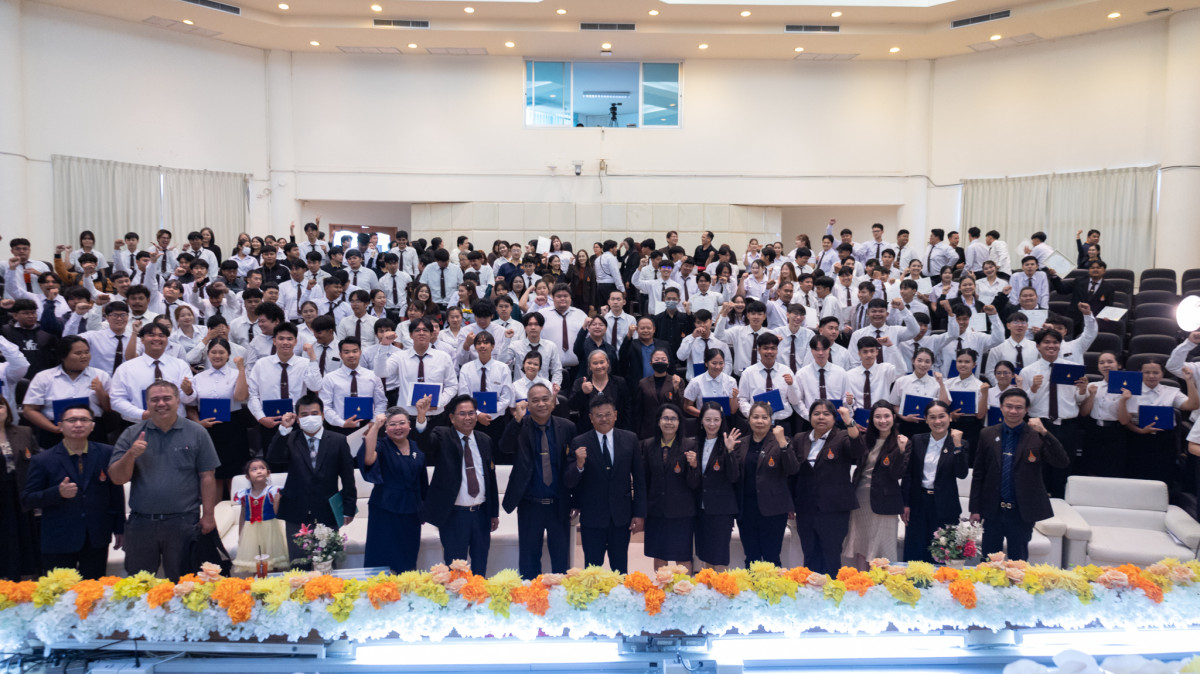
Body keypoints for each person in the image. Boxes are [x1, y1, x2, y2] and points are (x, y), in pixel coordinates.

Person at [108, 381, 219, 580]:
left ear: (178, 401)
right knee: (139, 585)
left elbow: (207, 476)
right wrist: (131, 455)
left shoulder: (197, 432)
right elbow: (117, 478)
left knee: (184, 584)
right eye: (155, 399)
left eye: (167, 398)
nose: (161, 403)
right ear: (147, 403)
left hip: (183, 522)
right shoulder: (132, 434)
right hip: (141, 523)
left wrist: (209, 515)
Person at [969, 388, 1068, 561]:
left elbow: (1062, 461)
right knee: (989, 561)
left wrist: (1045, 432)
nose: (1013, 411)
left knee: (1019, 562)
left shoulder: (1036, 435)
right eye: (1009, 406)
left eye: (1019, 407)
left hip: (1021, 512)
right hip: (993, 510)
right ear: (1001, 407)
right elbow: (979, 474)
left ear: (1026, 410)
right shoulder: (987, 434)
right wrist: (975, 509)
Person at [267, 394, 357, 567]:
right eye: (304, 414)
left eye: (314, 413)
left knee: (327, 563)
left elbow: (347, 477)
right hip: (296, 511)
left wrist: (349, 508)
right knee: (298, 564)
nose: (310, 418)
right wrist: (284, 429)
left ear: (322, 416)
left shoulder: (338, 440)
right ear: (298, 419)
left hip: (327, 510)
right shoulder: (290, 438)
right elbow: (274, 458)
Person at [501, 383, 575, 578]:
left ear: (552, 402)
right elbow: (505, 447)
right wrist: (517, 420)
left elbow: (572, 466)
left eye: (545, 399)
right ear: (528, 404)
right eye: (535, 400)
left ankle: (560, 594)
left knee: (561, 559)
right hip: (530, 504)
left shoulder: (567, 427)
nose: (541, 404)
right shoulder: (520, 426)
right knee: (528, 560)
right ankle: (530, 594)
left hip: (558, 504)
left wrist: (576, 501)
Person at [564, 394, 645, 573]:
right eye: (598, 415)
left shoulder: (630, 439)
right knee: (592, 571)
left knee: (620, 569)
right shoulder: (580, 442)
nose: (604, 419)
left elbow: (639, 479)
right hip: (592, 518)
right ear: (591, 418)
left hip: (621, 517)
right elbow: (569, 481)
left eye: (608, 414)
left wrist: (639, 513)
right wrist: (579, 464)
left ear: (615, 415)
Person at [419, 394, 499, 576]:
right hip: (454, 516)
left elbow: (490, 479)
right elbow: (424, 446)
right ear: (452, 418)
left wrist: (493, 512)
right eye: (462, 414)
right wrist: (422, 418)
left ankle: (478, 593)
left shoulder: (485, 440)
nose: (468, 417)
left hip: (481, 515)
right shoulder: (443, 435)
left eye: (471, 413)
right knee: (455, 570)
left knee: (480, 567)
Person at [789, 401, 863, 576]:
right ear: (809, 417)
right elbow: (792, 474)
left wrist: (849, 422)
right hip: (806, 508)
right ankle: (812, 590)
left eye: (826, 414)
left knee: (831, 556)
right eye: (816, 413)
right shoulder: (800, 438)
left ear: (834, 418)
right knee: (809, 554)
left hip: (834, 509)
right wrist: (790, 503)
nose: (821, 417)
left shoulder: (843, 436)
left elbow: (857, 451)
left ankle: (832, 590)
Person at [359, 407, 428, 573]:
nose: (398, 427)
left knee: (408, 558)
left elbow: (422, 481)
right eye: (392, 424)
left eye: (402, 423)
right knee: (381, 558)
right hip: (384, 510)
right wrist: (375, 426)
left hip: (411, 511)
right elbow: (368, 459)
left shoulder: (416, 447)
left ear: (409, 425)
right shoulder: (381, 445)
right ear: (386, 428)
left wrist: (424, 509)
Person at [732, 401, 799, 566]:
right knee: (751, 557)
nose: (760, 421)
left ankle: (773, 584)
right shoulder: (741, 443)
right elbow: (734, 475)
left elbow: (792, 469)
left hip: (773, 509)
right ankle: (751, 584)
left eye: (764, 417)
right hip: (746, 509)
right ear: (749, 419)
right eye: (755, 417)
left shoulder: (781, 441)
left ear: (771, 420)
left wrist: (783, 444)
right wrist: (728, 452)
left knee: (772, 557)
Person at [843, 401, 908, 570]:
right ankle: (862, 581)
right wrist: (849, 423)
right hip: (860, 499)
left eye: (886, 416)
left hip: (885, 502)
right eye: (878, 417)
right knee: (862, 545)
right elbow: (853, 454)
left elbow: (897, 474)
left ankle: (883, 584)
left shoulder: (902, 441)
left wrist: (901, 452)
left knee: (883, 548)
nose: (883, 420)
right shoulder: (866, 440)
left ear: (894, 417)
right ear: (872, 419)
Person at [901, 401, 968, 563]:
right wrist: (905, 503)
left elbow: (962, 474)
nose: (937, 421)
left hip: (945, 505)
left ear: (950, 417)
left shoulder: (960, 443)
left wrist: (957, 446)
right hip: (918, 503)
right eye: (932, 417)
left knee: (942, 555)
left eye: (941, 416)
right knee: (915, 552)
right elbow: (909, 474)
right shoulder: (917, 440)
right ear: (926, 419)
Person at [186, 340, 250, 499]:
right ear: (208, 354)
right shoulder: (199, 377)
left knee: (234, 473)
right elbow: (190, 406)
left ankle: (236, 509)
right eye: (213, 352)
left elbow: (241, 396)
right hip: (207, 429)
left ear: (228, 355)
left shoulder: (236, 374)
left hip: (233, 427)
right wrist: (198, 423)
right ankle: (214, 512)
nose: (217, 356)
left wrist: (241, 369)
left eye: (222, 352)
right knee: (213, 473)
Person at [1117, 360, 1197, 485]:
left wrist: (1190, 381)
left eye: (1155, 372)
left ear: (1162, 374)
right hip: (1138, 438)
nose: (1151, 376)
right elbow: (1124, 420)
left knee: (1163, 477)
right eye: (1147, 372)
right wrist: (1123, 401)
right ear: (1140, 373)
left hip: (1164, 440)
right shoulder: (1131, 391)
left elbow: (1192, 405)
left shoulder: (1171, 391)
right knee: (1137, 476)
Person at [641, 404, 700, 571]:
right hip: (656, 511)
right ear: (658, 421)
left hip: (682, 512)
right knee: (659, 555)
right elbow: (645, 480)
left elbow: (694, 483)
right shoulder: (648, 445)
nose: (669, 422)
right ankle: (662, 587)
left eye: (674, 419)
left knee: (683, 556)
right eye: (665, 418)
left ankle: (684, 588)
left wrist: (694, 466)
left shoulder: (690, 445)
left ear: (680, 422)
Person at [693, 402, 742, 570]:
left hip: (722, 508)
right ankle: (708, 583)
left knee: (720, 553)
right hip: (700, 507)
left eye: (716, 420)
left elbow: (734, 476)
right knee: (705, 552)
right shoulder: (695, 443)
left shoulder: (730, 442)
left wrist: (729, 452)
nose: (712, 424)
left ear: (722, 421)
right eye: (708, 419)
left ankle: (721, 584)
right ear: (701, 421)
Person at [0, 396, 39, 579]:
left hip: (21, 494)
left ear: (7, 409)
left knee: (23, 539)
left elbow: (38, 461)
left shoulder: (24, 431)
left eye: (0, 405)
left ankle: (24, 581)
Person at [231, 458, 289, 575]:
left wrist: (277, 501)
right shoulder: (244, 494)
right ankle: (258, 581)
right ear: (247, 477)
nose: (259, 471)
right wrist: (241, 533)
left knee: (272, 560)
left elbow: (277, 513)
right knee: (255, 561)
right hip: (251, 531)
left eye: (262, 468)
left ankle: (274, 580)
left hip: (270, 529)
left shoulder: (273, 491)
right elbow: (243, 515)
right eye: (254, 469)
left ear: (268, 473)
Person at [570, 350, 629, 434]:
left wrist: (625, 432)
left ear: (608, 363)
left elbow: (627, 408)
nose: (599, 366)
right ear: (590, 366)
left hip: (616, 431)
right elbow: (573, 407)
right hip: (588, 432)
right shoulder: (581, 382)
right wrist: (582, 392)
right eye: (595, 363)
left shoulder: (620, 382)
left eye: (602, 362)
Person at [632, 348, 686, 438]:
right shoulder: (643, 383)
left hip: (670, 427)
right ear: (651, 363)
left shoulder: (676, 380)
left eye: (663, 360)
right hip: (648, 429)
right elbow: (638, 411)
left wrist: (676, 389)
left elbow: (680, 406)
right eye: (656, 360)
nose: (660, 362)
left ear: (668, 363)